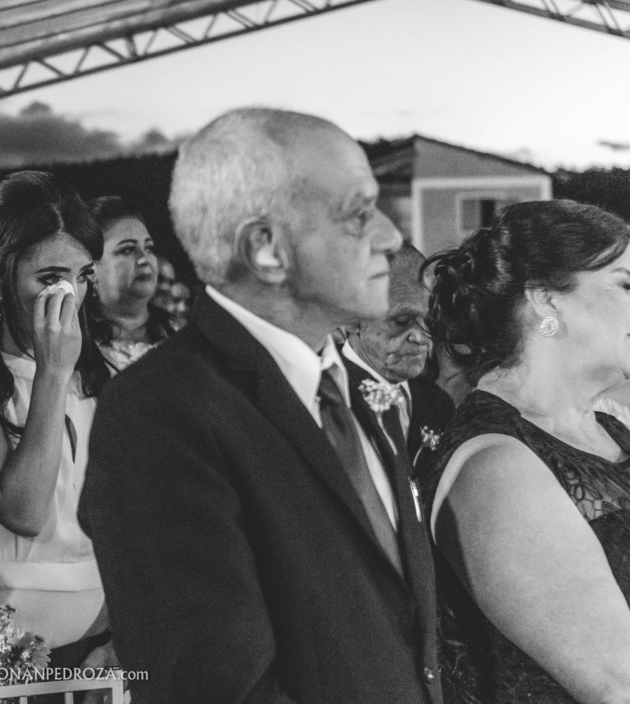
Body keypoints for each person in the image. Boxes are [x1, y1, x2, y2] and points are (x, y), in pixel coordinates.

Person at [81, 108, 441, 704]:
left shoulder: (353, 392)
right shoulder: (161, 413)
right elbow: (213, 686)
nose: (389, 237)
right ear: (266, 249)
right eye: (357, 213)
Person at [420, 200, 630, 704]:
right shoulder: (494, 466)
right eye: (624, 285)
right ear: (547, 301)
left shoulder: (610, 431)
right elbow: (625, 684)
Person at [0, 171, 114, 674]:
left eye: (83, 277)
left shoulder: (98, 375)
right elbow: (24, 510)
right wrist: (53, 372)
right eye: (51, 278)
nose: (70, 296)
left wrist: (122, 637)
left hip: (98, 640)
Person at [341, 243, 455, 460]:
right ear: (351, 318)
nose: (421, 338)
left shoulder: (438, 404)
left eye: (429, 319)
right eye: (402, 321)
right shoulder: (326, 398)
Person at [86, 195, 174, 371]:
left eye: (149, 248)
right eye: (127, 249)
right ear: (90, 269)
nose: (144, 259)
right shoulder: (72, 349)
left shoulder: (183, 335)